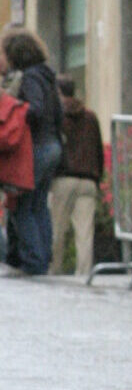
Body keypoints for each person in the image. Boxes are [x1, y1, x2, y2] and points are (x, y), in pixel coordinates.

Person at [1, 29, 64, 275]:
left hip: (36, 148)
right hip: (52, 146)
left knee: (23, 205)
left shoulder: (30, 78)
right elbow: (57, 114)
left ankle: (33, 261)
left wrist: (14, 111)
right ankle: (42, 258)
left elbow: (34, 109)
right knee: (38, 205)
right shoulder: (47, 76)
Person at [49, 74, 104, 276]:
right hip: (89, 179)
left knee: (57, 230)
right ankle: (84, 274)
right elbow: (98, 149)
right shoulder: (91, 117)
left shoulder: (57, 115)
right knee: (85, 233)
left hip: (64, 178)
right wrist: (98, 177)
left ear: (58, 92)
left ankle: (53, 271)